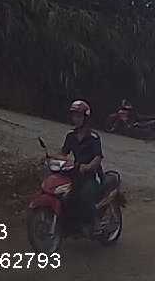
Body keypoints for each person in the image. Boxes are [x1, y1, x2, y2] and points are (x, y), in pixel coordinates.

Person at [58, 99, 103, 233]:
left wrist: (88, 167)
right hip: (75, 174)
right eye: (74, 116)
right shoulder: (71, 136)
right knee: (63, 194)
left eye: (79, 116)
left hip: (91, 176)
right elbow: (63, 154)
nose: (75, 119)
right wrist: (50, 159)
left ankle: (96, 223)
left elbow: (98, 157)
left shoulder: (93, 137)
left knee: (85, 196)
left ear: (86, 118)